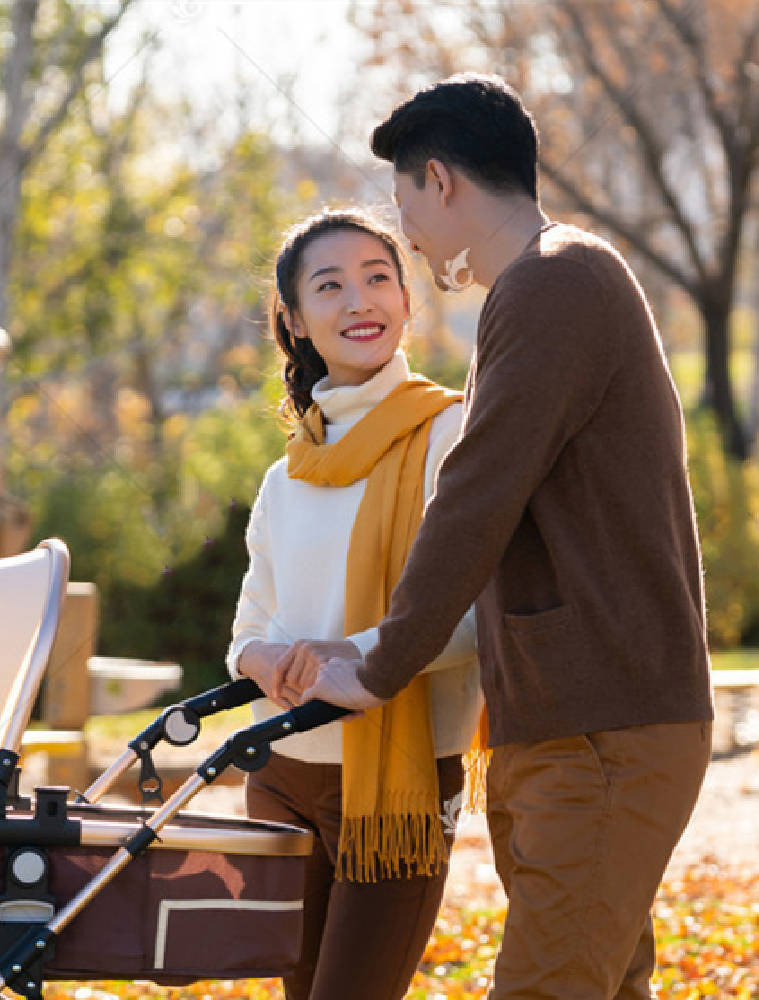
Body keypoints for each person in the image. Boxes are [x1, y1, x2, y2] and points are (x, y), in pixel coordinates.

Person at [296, 74, 715, 999]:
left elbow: (475, 499)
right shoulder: (546, 286)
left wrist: (379, 667)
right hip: (567, 721)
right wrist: (367, 646)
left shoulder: (556, 284)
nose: (404, 229)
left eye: (404, 198)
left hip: (604, 724)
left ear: (437, 180)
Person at [227, 207, 484, 1000]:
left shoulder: (453, 434)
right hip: (279, 773)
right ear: (295, 321)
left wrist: (355, 656)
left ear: (407, 300)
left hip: (396, 784)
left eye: (378, 279)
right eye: (329, 286)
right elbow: (248, 627)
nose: (358, 302)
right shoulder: (288, 473)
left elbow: (476, 611)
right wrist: (262, 658)